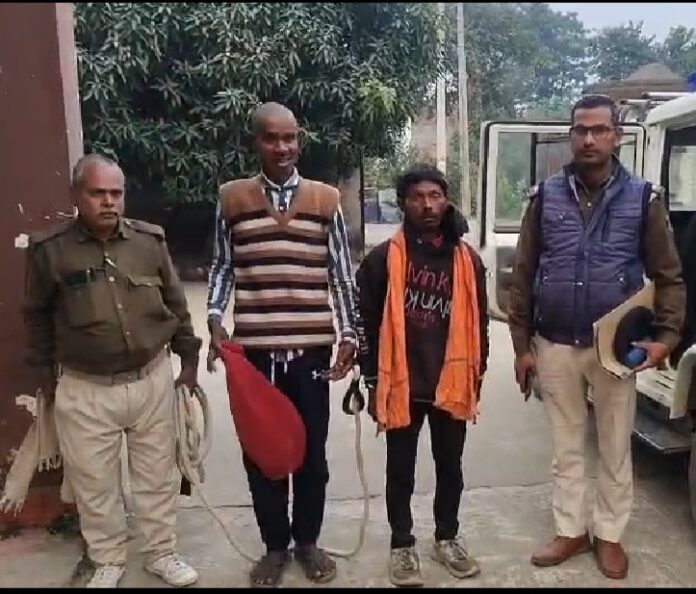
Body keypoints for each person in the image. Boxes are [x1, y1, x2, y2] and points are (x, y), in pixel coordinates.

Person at [508, 94, 686, 580]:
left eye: (599, 130)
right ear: (571, 136)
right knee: (566, 446)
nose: (589, 139)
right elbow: (523, 275)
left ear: (617, 136)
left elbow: (668, 276)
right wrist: (522, 346)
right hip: (555, 342)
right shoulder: (545, 197)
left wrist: (666, 337)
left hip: (615, 348)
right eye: (581, 130)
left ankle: (609, 534)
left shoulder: (643, 199)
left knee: (614, 446)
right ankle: (570, 530)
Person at [22, 153, 202, 588]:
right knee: (94, 482)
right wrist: (48, 381)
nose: (109, 202)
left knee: (157, 476)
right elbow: (36, 315)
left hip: (150, 379)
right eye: (98, 193)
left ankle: (161, 553)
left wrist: (189, 361)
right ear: (76, 195)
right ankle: (107, 558)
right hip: (85, 386)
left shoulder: (148, 242)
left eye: (116, 193)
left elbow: (176, 303)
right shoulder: (50, 250)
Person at [206, 102, 358, 587]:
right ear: (256, 142)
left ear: (300, 141)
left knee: (312, 453)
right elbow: (223, 266)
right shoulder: (232, 198)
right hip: (255, 354)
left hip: (311, 352)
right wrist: (214, 318)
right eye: (271, 138)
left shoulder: (325, 200)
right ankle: (274, 547)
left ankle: (307, 542)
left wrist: (349, 334)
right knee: (263, 453)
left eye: (290, 137)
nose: (282, 147)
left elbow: (341, 274)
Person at [356, 164, 489, 587]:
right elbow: (366, 323)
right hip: (402, 385)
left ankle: (446, 537)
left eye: (435, 195)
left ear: (446, 199)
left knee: (451, 468)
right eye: (417, 197)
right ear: (403, 204)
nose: (427, 205)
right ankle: (402, 544)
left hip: (450, 383)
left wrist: (477, 376)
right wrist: (371, 382)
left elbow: (480, 323)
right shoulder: (383, 260)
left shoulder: (467, 260)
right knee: (400, 471)